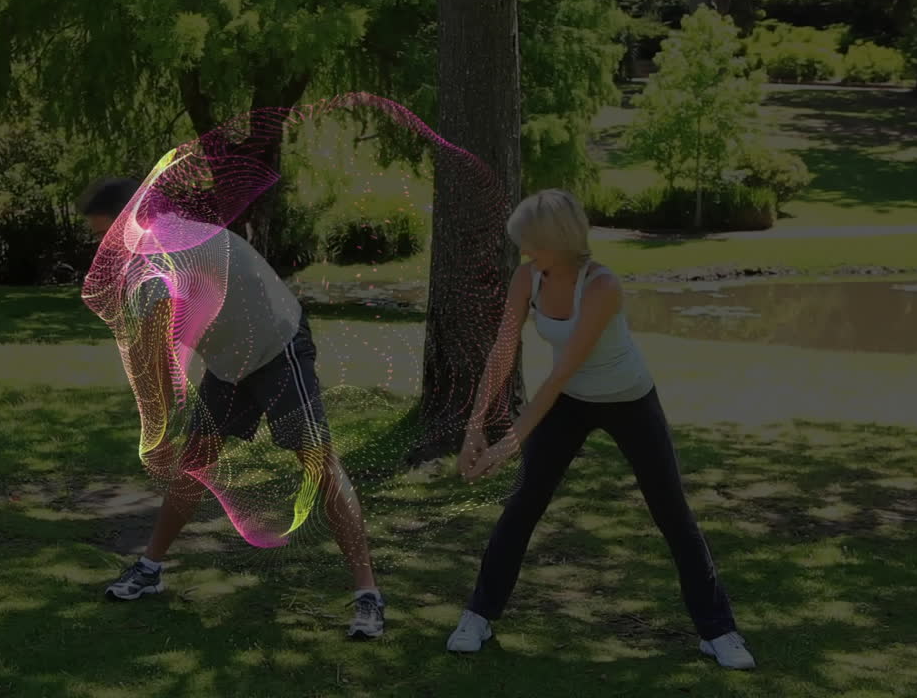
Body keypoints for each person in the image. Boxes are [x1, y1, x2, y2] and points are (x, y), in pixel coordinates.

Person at [444, 189, 755, 669]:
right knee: (524, 504)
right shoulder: (528, 276)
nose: (525, 253)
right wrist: (474, 426)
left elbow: (559, 374)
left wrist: (508, 443)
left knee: (672, 513)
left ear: (561, 241)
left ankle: (718, 631)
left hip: (629, 400)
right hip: (570, 404)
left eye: (533, 243)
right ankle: (478, 615)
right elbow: (504, 350)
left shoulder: (602, 285)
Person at [77, 175, 386, 639]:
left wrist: (156, 433)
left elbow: (158, 356)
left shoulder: (163, 254)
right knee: (194, 464)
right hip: (228, 362)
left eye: (108, 235)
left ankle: (368, 594)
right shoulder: (151, 255)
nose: (105, 248)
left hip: (276, 345)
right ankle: (150, 568)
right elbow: (149, 349)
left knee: (318, 462)